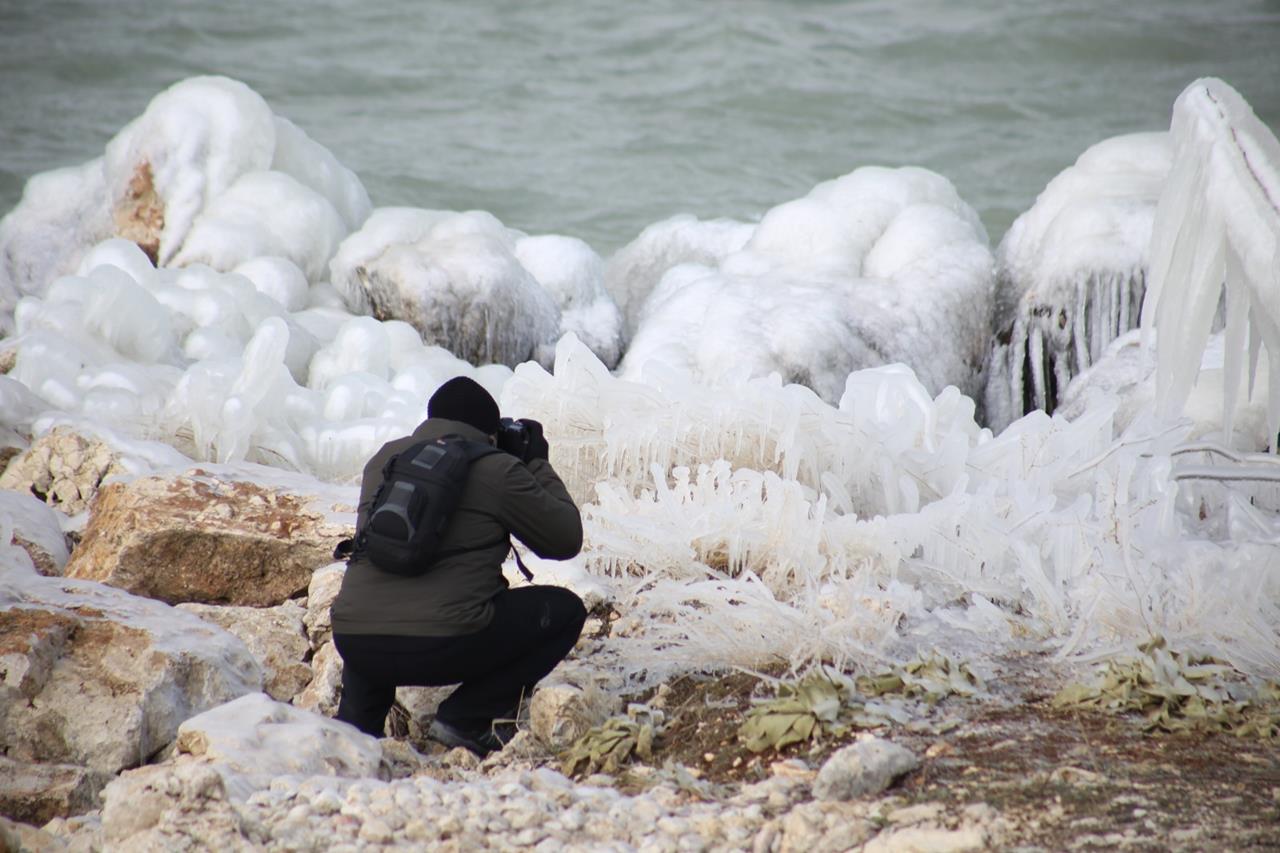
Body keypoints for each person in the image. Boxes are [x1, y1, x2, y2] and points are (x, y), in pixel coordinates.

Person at [330, 376, 586, 756]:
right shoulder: (498, 468)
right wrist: (536, 463)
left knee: (375, 605)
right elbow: (565, 539)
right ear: (490, 433)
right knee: (565, 611)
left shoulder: (384, 460)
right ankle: (466, 717)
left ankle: (355, 731)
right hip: (442, 647)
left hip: (355, 641)